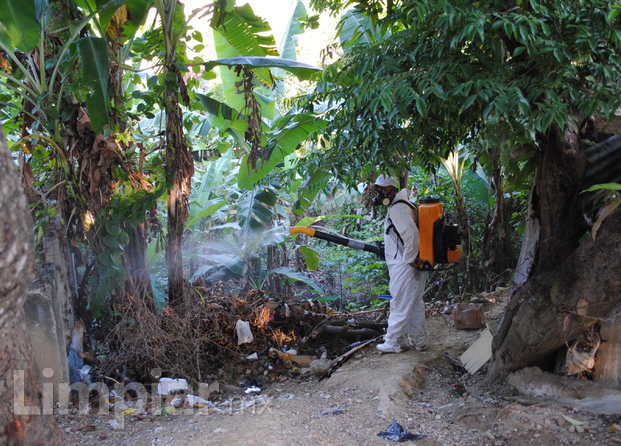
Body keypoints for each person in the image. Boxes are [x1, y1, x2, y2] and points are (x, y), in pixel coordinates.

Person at [373, 175, 429, 353]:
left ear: (394, 189)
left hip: (405, 265)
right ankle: (419, 341)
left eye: (385, 188)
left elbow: (411, 235)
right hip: (411, 263)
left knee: (398, 303)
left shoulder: (398, 208)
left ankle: (392, 341)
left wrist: (411, 259)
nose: (381, 192)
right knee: (413, 304)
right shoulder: (405, 205)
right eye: (380, 189)